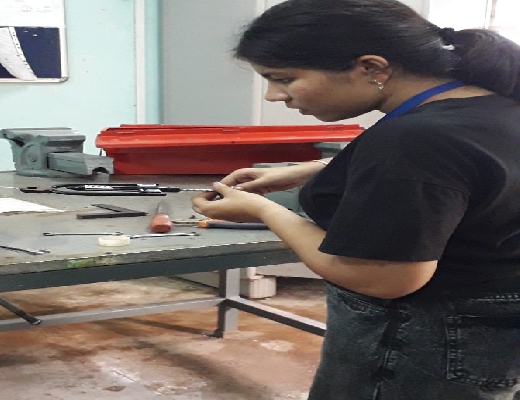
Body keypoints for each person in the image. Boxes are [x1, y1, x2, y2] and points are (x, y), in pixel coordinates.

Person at [190, 0, 520, 399]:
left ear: (371, 68)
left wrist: (263, 210)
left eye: (284, 79)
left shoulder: (415, 139)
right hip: (486, 328)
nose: (274, 96)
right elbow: (465, 172)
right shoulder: (492, 106)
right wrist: (310, 169)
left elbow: (383, 277)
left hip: (420, 342)